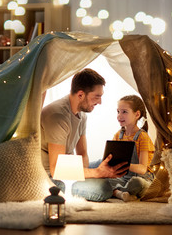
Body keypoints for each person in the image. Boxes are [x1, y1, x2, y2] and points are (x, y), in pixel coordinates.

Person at [40, 68, 128, 202]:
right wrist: (97, 174)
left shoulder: (81, 115)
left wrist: (96, 172)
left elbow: (82, 154)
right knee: (102, 189)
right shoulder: (57, 116)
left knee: (107, 163)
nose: (100, 102)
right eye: (97, 96)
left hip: (69, 168)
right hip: (52, 176)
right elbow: (56, 169)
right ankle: (115, 188)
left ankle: (118, 185)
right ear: (80, 95)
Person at [109, 95, 155, 202]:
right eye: (118, 111)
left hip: (142, 177)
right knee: (104, 182)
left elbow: (143, 169)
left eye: (124, 112)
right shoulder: (118, 135)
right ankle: (122, 194)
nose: (119, 115)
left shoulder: (142, 137)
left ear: (137, 114)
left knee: (136, 183)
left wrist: (124, 164)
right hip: (123, 177)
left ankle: (122, 191)